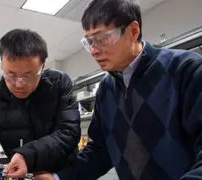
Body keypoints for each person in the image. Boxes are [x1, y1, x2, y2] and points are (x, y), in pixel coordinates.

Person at [34, 0, 202, 179]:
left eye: (102, 39)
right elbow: (99, 150)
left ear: (133, 31)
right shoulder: (106, 89)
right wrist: (58, 178)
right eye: (88, 42)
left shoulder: (186, 71)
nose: (93, 50)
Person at [0, 29, 81, 178]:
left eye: (28, 76)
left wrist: (26, 156)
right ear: (2, 66)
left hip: (63, 174)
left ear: (42, 67)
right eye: (10, 75)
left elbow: (69, 132)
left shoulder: (58, 83)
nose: (19, 85)